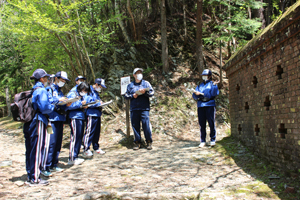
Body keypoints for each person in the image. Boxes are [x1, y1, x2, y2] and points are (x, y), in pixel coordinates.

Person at [23, 69, 55, 186]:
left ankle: (30, 175)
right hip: (38, 121)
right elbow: (45, 108)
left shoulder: (33, 90)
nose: (47, 80)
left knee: (30, 149)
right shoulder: (41, 90)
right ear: (42, 79)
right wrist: (53, 106)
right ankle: (35, 178)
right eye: (46, 77)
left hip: (29, 122)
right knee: (37, 149)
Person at [40, 71, 72, 177]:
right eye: (62, 80)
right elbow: (47, 102)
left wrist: (67, 104)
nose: (63, 82)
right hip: (51, 120)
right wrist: (58, 99)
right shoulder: (48, 89)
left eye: (64, 81)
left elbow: (61, 105)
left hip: (60, 119)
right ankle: (45, 166)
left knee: (58, 143)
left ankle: (54, 164)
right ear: (56, 78)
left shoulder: (60, 91)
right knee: (50, 143)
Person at [124, 68, 154, 150]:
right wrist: (132, 96)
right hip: (134, 108)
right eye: (137, 73)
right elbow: (126, 95)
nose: (139, 74)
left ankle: (148, 141)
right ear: (134, 75)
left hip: (144, 108)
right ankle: (137, 142)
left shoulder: (146, 83)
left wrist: (145, 92)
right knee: (135, 126)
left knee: (146, 125)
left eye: (140, 72)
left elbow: (151, 93)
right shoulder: (130, 85)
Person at [192, 69, 219, 148]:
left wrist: (214, 86)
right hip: (201, 105)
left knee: (211, 123)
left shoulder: (212, 84)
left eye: (206, 76)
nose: (204, 77)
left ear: (209, 76)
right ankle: (202, 140)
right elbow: (194, 96)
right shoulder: (200, 85)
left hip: (209, 104)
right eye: (203, 76)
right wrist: (196, 93)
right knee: (202, 123)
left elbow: (214, 94)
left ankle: (212, 139)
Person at [66, 82, 90, 165]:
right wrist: (80, 104)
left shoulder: (80, 95)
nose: (84, 93)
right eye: (84, 90)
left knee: (79, 137)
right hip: (74, 117)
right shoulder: (72, 93)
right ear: (80, 89)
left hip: (80, 116)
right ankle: (72, 158)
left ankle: (75, 156)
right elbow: (69, 105)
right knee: (75, 137)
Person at [83, 78, 107, 157]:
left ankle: (96, 148)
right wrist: (97, 104)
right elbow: (87, 103)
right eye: (100, 86)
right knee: (89, 132)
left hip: (97, 114)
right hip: (91, 114)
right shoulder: (88, 90)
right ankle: (86, 149)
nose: (101, 88)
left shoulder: (96, 92)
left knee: (97, 132)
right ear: (96, 84)